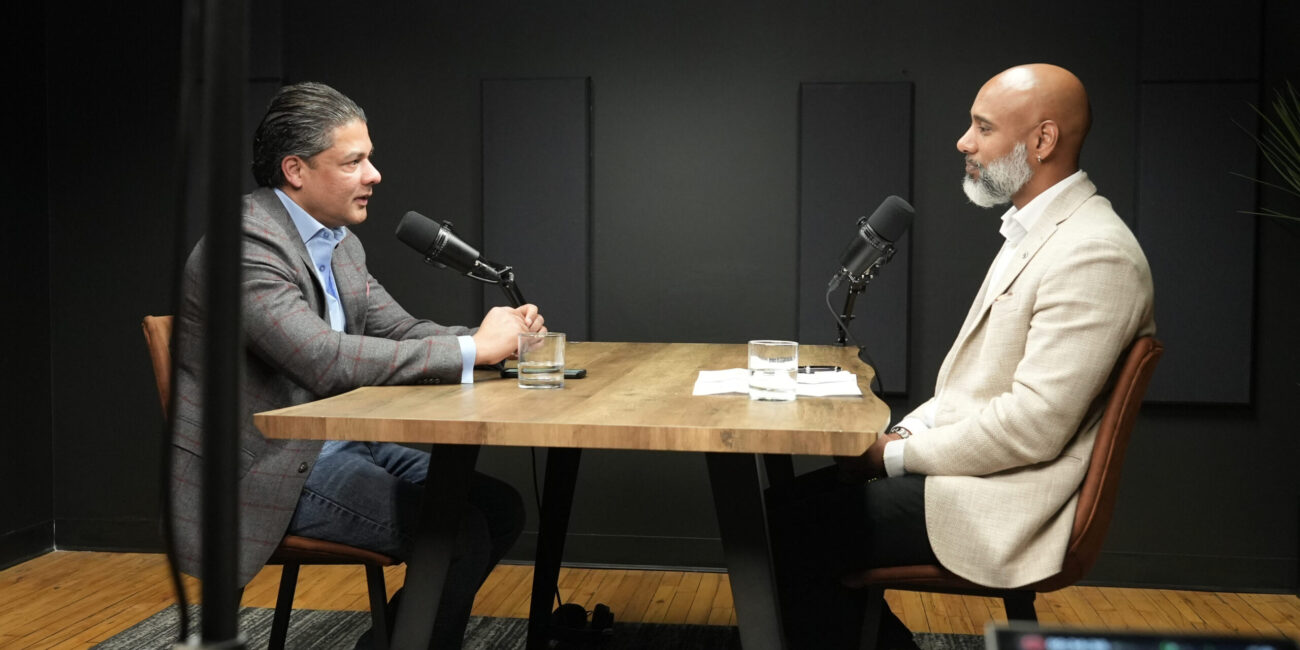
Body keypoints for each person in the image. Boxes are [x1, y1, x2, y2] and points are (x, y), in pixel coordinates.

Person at [769, 64, 1156, 648]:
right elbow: (964, 394)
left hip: (1005, 506)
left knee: (781, 532)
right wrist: (898, 437)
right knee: (778, 508)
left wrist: (891, 459)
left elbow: (1032, 427)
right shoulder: (1038, 232)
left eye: (982, 127)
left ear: (1042, 141)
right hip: (976, 479)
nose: (963, 141)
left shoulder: (1094, 253)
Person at [168, 81, 543, 648]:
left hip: (337, 444)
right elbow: (323, 358)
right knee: (457, 531)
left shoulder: (337, 241)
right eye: (355, 161)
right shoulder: (241, 246)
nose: (375, 175)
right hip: (263, 470)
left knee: (498, 505)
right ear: (295, 170)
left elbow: (401, 331)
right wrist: (473, 350)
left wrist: (495, 336)